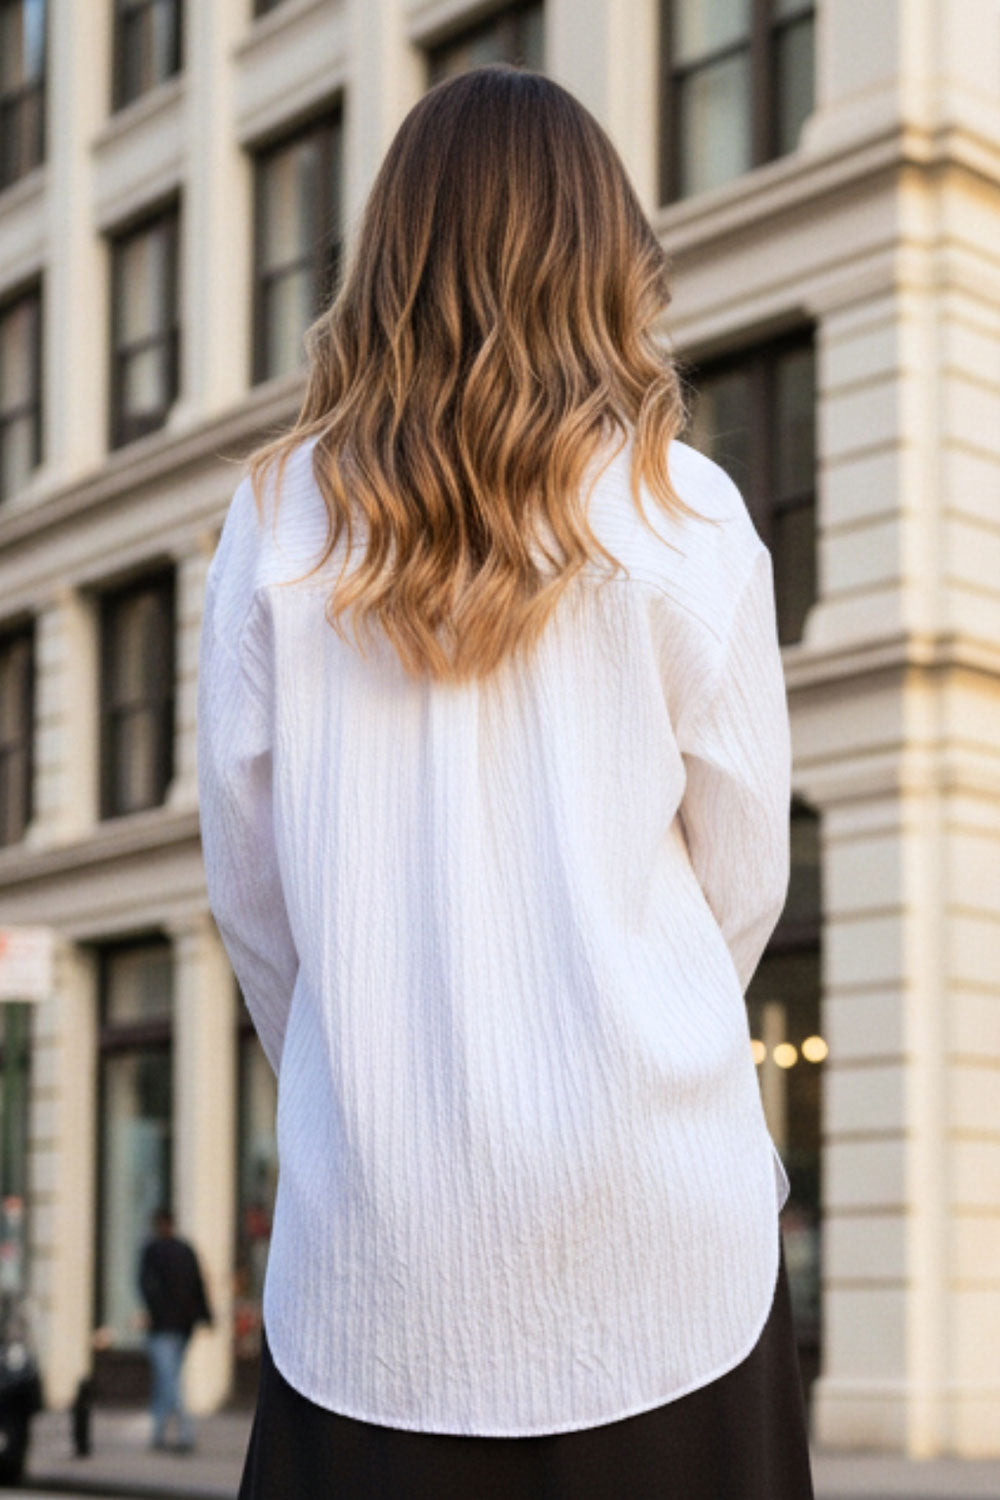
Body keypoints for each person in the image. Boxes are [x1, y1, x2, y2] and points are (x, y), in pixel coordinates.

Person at [197, 63, 816, 1500]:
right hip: (664, 1257)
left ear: (387, 261)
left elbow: (256, 905)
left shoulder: (274, 525)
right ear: (605, 257)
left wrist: (379, 1083)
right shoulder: (686, 511)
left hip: (380, 1273)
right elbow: (742, 885)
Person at [137, 1208, 213, 1453]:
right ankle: (158, 1433)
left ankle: (185, 1434)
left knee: (169, 1382)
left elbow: (146, 1286)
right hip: (182, 1327)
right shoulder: (183, 1250)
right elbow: (199, 1285)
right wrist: (205, 1317)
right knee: (166, 1379)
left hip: (166, 1328)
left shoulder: (155, 1251)